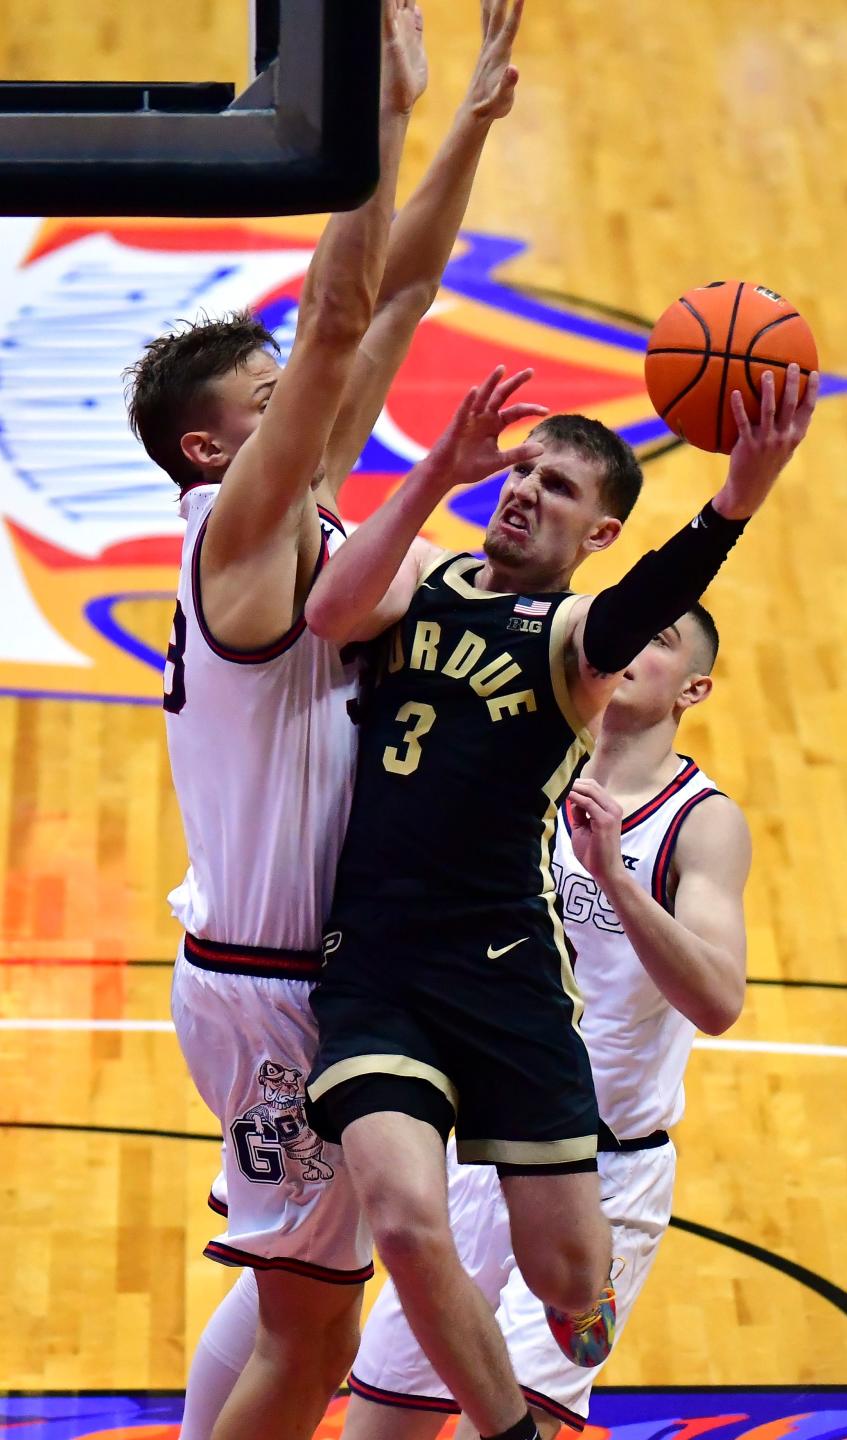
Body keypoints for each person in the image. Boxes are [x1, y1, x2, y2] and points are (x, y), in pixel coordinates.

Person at [123, 5, 531, 1438]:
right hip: (276, 978)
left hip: (312, 965)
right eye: (270, 393)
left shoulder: (293, 514)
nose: (303, 397)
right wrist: (368, 122)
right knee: (313, 1339)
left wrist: (461, 117)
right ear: (209, 443)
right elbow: (345, 314)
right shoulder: (234, 535)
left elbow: (398, 301)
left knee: (297, 1300)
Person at [302, 358, 818, 1440]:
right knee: (401, 1218)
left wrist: (737, 502)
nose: (528, 487)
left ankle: (588, 1285)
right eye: (525, 469)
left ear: (599, 535)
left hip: (506, 980)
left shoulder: (575, 640)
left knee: (569, 1286)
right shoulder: (423, 576)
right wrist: (438, 468)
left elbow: (644, 605)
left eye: (562, 486)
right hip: (376, 969)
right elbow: (327, 612)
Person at [337, 602, 748, 1440]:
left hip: (605, 1175)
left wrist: (618, 880)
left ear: (694, 689)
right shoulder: (520, 771)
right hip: (486, 1150)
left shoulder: (701, 821)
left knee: (523, 1426)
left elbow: (719, 1001)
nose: (631, 643)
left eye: (659, 641)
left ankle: (594, 1285)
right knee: (378, 1424)